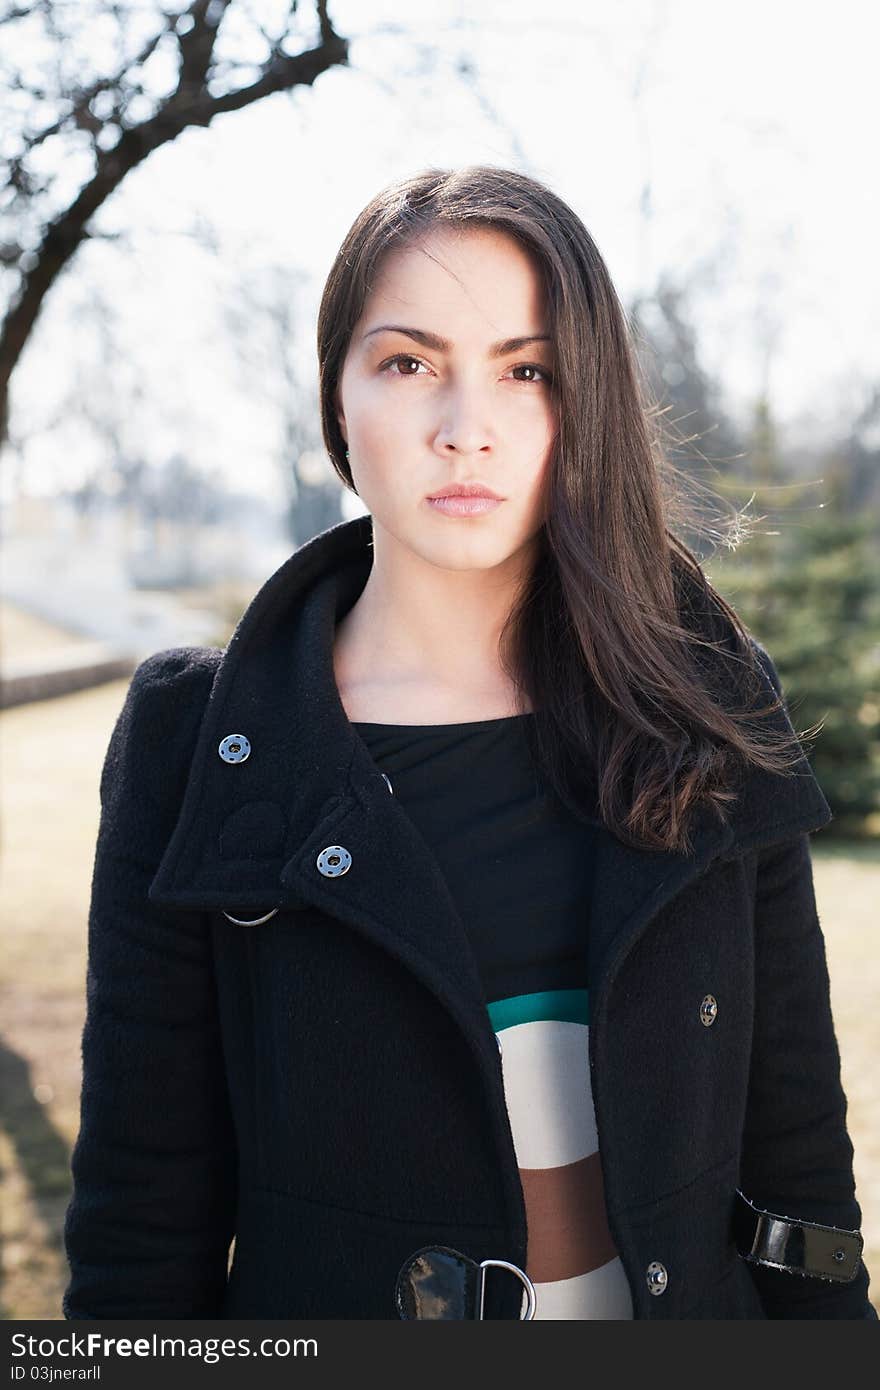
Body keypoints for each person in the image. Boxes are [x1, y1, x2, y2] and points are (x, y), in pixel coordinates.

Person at [62, 165, 875, 1320]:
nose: (465, 430)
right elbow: (141, 1222)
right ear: (337, 399)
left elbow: (798, 1165)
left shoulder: (706, 694)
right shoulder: (201, 738)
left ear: (582, 400)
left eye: (525, 370)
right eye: (407, 363)